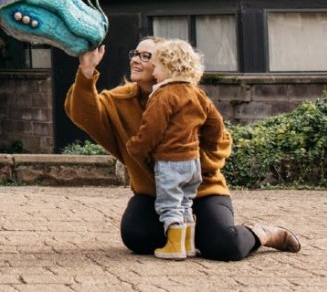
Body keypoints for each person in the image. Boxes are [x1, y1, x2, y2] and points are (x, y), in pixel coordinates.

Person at [65, 37, 302, 261]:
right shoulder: (120, 100)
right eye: (135, 54)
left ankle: (265, 233)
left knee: (224, 245)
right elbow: (83, 113)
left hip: (201, 190)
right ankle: (187, 234)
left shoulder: (189, 96)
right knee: (137, 236)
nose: (136, 60)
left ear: (166, 64)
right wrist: (86, 73)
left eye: (146, 56)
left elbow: (220, 143)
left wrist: (185, 162)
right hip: (154, 194)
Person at [124, 39, 221, 260]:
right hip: (193, 162)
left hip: (170, 162)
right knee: (185, 203)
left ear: (169, 67)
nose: (154, 71)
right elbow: (215, 125)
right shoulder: (196, 93)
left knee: (169, 205)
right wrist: (209, 145)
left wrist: (136, 148)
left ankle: (174, 246)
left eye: (157, 66)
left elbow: (152, 130)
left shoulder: (163, 95)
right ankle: (188, 245)